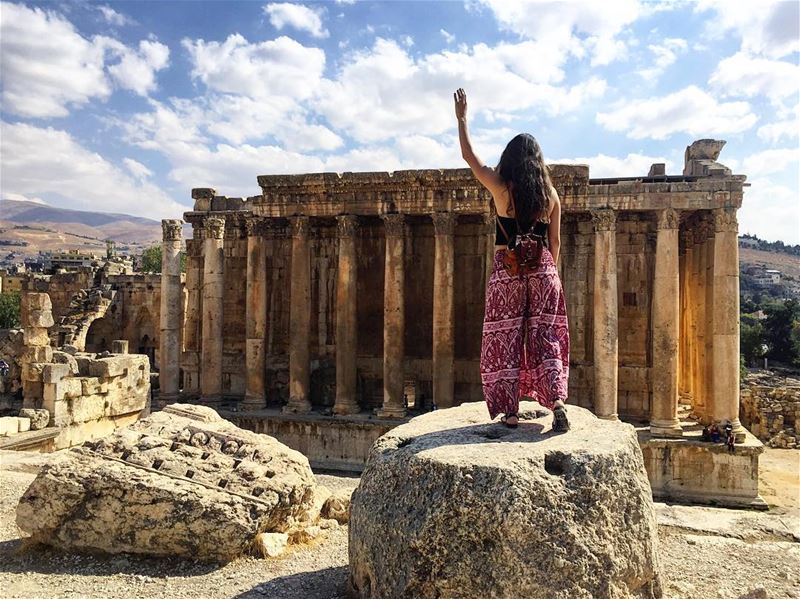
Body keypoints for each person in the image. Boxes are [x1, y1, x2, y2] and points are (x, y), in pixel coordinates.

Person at [454, 88, 570, 432]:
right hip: (544, 269)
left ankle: (510, 412)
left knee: (503, 337)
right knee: (545, 335)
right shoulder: (550, 196)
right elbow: (556, 241)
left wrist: (462, 118)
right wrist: (549, 273)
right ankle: (557, 401)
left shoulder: (502, 188)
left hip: (508, 269)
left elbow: (469, 157)